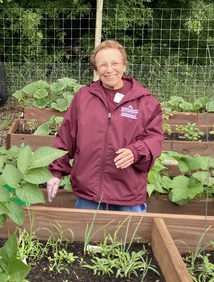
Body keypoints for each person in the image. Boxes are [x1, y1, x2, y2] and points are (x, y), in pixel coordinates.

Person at [46, 40, 163, 211]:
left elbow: (154, 139)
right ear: (96, 69)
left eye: (115, 63)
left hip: (127, 194)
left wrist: (135, 151)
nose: (109, 70)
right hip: (88, 192)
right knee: (87, 237)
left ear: (124, 66)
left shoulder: (146, 102)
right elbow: (66, 137)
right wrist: (56, 173)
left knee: (127, 238)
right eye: (102, 65)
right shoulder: (84, 97)